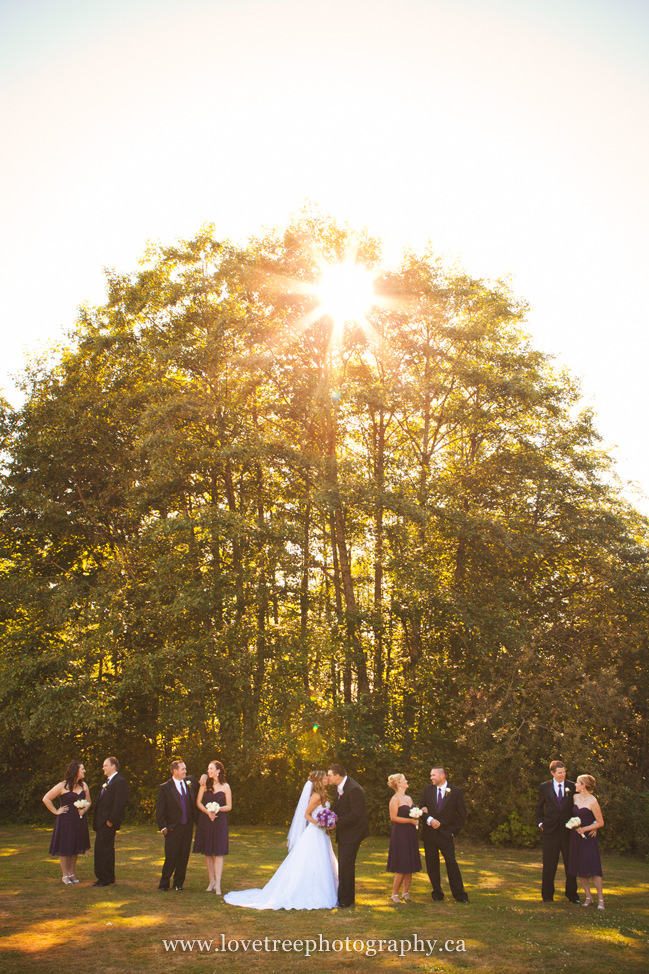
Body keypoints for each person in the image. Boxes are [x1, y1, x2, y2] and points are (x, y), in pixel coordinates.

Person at [224, 770, 338, 910]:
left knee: (322, 861)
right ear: (319, 781)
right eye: (325, 777)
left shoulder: (322, 795)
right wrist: (319, 823)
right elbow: (306, 815)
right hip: (314, 833)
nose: (327, 779)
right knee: (312, 862)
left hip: (321, 834)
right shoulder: (315, 796)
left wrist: (328, 823)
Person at [418, 765, 469, 903]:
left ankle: (459, 895)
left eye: (433, 775)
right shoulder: (427, 789)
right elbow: (420, 808)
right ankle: (437, 892)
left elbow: (462, 815)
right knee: (431, 864)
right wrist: (429, 820)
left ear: (442, 776)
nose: (431, 777)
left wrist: (453, 831)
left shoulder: (455, 791)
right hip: (430, 835)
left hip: (446, 835)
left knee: (451, 864)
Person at [534, 760, 580, 903]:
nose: (563, 775)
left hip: (568, 831)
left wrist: (577, 822)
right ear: (553, 773)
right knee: (549, 863)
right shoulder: (545, 787)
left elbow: (578, 806)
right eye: (560, 773)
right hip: (550, 830)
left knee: (570, 863)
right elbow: (539, 807)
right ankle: (547, 895)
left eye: (564, 772)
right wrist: (540, 823)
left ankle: (572, 895)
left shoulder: (572, 786)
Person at [327, 763, 370, 908]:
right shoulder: (339, 788)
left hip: (353, 833)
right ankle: (346, 897)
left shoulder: (354, 789)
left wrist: (336, 822)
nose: (328, 778)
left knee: (346, 865)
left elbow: (356, 813)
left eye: (330, 775)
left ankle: (345, 900)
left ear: (337, 776)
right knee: (345, 865)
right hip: (346, 832)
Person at [43, 760, 91, 884]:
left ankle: (72, 873)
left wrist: (84, 810)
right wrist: (56, 811)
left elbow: (89, 801)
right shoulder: (62, 786)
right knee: (65, 846)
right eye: (82, 769)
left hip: (78, 820)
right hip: (65, 820)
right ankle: (65, 875)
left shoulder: (84, 785)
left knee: (75, 846)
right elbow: (46, 798)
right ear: (75, 770)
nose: (85, 771)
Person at [156, 760, 200, 891]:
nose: (185, 771)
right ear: (175, 771)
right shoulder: (165, 787)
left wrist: (203, 776)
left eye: (185, 769)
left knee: (184, 856)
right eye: (183, 769)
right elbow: (160, 808)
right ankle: (164, 884)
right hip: (173, 827)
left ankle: (178, 883)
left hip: (187, 826)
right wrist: (163, 827)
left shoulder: (190, 782)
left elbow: (203, 780)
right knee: (171, 856)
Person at [193, 760, 231, 894]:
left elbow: (229, 806)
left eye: (211, 769)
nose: (208, 771)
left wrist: (217, 809)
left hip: (220, 821)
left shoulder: (226, 786)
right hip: (206, 820)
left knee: (219, 853)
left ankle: (218, 884)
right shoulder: (205, 784)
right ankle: (211, 882)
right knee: (208, 853)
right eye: (208, 769)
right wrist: (208, 812)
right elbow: (198, 802)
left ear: (218, 771)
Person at [567, 774, 605, 910]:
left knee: (593, 868)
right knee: (580, 868)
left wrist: (587, 829)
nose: (575, 785)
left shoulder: (593, 801)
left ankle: (601, 899)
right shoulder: (574, 797)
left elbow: (600, 822)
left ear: (583, 786)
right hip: (575, 837)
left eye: (577, 783)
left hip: (588, 838)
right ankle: (588, 897)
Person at [92, 756, 128, 887]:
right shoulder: (109, 781)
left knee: (103, 849)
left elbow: (120, 803)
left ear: (113, 766)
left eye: (105, 765)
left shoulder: (120, 781)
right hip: (102, 822)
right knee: (106, 849)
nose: (103, 768)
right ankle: (109, 876)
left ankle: (104, 878)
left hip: (107, 823)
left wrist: (111, 821)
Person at [386, 773, 421, 903]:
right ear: (398, 784)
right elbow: (393, 818)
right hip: (400, 833)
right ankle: (394, 893)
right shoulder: (395, 799)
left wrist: (418, 813)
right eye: (404, 780)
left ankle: (405, 892)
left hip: (410, 833)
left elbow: (412, 812)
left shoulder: (409, 798)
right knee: (402, 863)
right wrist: (410, 821)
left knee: (410, 863)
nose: (406, 781)